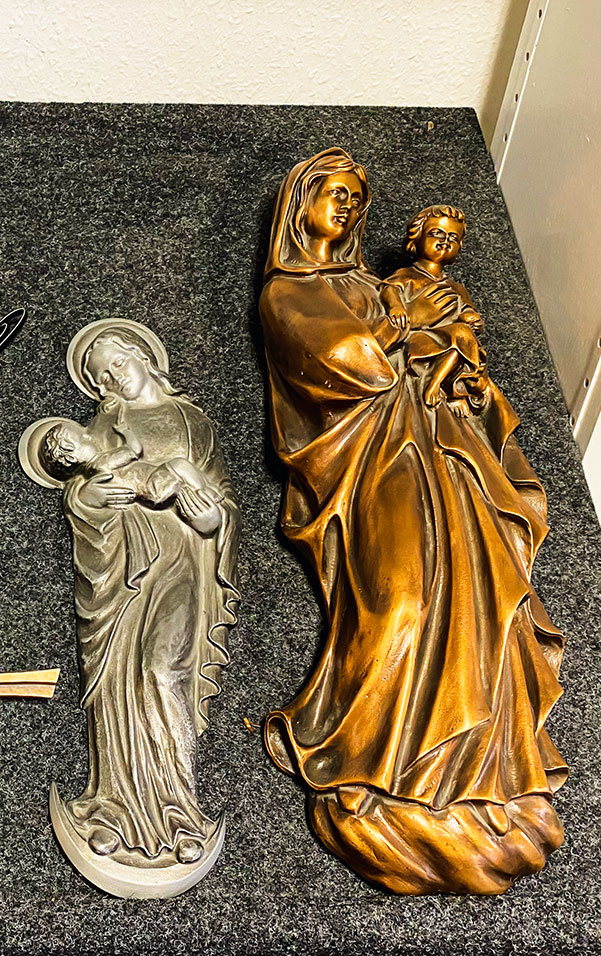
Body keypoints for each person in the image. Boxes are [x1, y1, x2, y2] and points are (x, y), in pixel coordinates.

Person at [259, 148, 567, 894]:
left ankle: (475, 780)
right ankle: (359, 761)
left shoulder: (376, 285)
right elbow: (343, 360)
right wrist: (404, 320)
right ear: (300, 203)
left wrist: (459, 373)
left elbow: (443, 353)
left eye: (354, 198)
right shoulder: (287, 292)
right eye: (332, 193)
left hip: (439, 452)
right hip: (369, 461)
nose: (345, 207)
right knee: (397, 603)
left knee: (479, 606)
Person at [54, 324, 239, 866]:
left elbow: (223, 500)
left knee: (163, 668)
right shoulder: (106, 423)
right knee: (119, 677)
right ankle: (114, 809)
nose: (113, 379)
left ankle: (179, 810)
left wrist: (213, 521)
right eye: (102, 376)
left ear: (140, 355)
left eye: (117, 364)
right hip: (121, 567)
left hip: (182, 560)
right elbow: (82, 489)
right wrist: (90, 498)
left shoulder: (193, 422)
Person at [380, 204, 488, 410]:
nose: (445, 241)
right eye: (436, 233)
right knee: (460, 337)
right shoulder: (406, 275)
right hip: (419, 340)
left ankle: (441, 384)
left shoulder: (456, 288)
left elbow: (467, 310)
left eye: (453, 237)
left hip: (451, 342)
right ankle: (435, 382)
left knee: (464, 337)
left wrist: (472, 319)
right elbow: (389, 290)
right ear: (417, 237)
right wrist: (397, 307)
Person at [39, 420, 223, 534]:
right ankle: (204, 490)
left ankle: (198, 499)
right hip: (153, 483)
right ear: (72, 458)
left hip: (151, 493)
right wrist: (126, 431)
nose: (91, 437)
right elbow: (134, 450)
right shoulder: (103, 462)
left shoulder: (94, 473)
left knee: (181, 478)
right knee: (179, 464)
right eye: (83, 439)